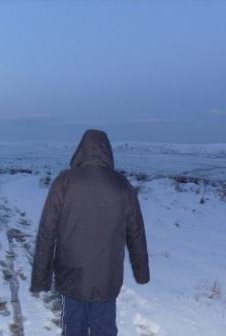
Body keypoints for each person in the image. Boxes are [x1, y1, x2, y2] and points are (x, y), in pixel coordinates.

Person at [30, 129, 150, 336]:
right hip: (107, 275)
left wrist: (41, 277)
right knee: (104, 327)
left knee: (73, 326)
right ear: (108, 151)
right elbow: (136, 233)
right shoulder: (122, 185)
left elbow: (47, 232)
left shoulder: (64, 182)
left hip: (71, 272)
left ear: (81, 150)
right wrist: (142, 272)